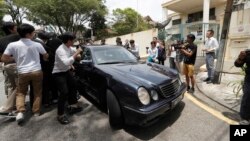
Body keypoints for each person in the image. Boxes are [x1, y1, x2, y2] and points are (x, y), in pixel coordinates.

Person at [1, 23, 49, 123]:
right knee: (37, 92)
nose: (33, 34)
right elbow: (45, 55)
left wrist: (15, 58)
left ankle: (20, 112)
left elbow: (3, 58)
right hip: (37, 71)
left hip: (23, 72)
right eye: (33, 33)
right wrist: (44, 58)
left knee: (21, 93)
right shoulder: (37, 44)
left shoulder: (13, 45)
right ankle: (36, 112)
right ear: (28, 34)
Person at [52, 32, 83, 124]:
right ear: (69, 41)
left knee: (73, 85)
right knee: (64, 92)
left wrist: (78, 53)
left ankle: (72, 106)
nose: (74, 41)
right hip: (58, 73)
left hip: (66, 71)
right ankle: (60, 115)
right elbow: (66, 62)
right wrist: (77, 53)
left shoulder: (69, 47)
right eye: (73, 40)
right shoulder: (60, 50)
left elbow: (76, 54)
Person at [0, 22, 20, 115]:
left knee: (12, 86)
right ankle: (7, 108)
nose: (16, 29)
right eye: (15, 27)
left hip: (6, 66)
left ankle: (13, 106)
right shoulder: (17, 37)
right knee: (19, 86)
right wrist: (14, 58)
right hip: (16, 65)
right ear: (10, 29)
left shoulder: (1, 40)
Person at [234, 50, 250, 125]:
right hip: (249, 79)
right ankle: (245, 118)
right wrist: (240, 57)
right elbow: (237, 64)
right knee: (247, 96)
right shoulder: (247, 53)